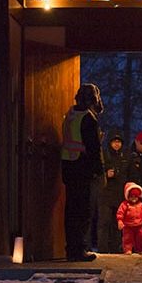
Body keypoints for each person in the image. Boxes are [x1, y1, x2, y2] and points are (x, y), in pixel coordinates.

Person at [61, 83, 105, 262]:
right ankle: (79, 249)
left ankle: (71, 248)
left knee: (71, 210)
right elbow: (93, 147)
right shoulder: (88, 119)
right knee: (82, 211)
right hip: (82, 167)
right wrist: (99, 170)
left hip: (68, 166)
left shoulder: (70, 115)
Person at [98, 133, 129, 253]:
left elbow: (129, 174)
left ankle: (116, 248)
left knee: (118, 223)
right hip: (105, 194)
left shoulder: (125, 157)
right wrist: (105, 175)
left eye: (119, 142)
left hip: (119, 194)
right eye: (114, 142)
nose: (117, 144)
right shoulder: (104, 155)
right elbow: (97, 172)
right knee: (104, 222)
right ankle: (103, 249)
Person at [117, 182, 142, 255]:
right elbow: (120, 213)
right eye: (131, 196)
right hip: (128, 226)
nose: (134, 198)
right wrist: (120, 221)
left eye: (135, 196)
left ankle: (139, 249)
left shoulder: (141, 205)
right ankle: (127, 249)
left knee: (141, 237)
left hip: (139, 226)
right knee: (127, 238)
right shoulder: (125, 204)